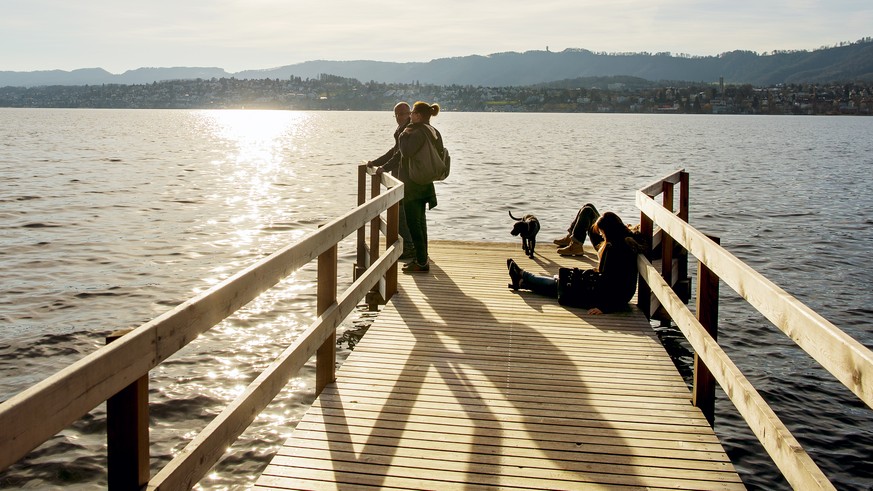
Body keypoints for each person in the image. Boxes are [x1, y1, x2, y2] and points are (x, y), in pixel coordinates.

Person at [507, 212, 642, 314]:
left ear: (609, 231)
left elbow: (618, 287)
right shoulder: (624, 243)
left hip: (605, 297)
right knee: (561, 282)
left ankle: (523, 275)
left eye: (602, 232)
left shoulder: (614, 250)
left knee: (561, 285)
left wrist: (604, 308)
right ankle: (522, 280)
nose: (601, 235)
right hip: (605, 292)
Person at [374, 101, 443, 273]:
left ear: (418, 116)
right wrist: (383, 165)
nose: (409, 115)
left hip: (413, 185)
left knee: (414, 224)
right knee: (420, 223)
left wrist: (403, 134)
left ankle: (420, 262)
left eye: (412, 112)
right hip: (425, 182)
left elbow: (404, 152)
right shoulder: (432, 131)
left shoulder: (415, 132)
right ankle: (422, 257)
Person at [367, 102, 415, 260]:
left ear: (410, 113)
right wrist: (376, 162)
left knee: (401, 213)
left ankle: (409, 247)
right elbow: (394, 151)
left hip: (407, 178)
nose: (400, 117)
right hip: (403, 176)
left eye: (403, 114)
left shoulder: (409, 130)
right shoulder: (401, 130)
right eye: (397, 114)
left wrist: (384, 168)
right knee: (403, 213)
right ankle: (411, 246)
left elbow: (399, 155)